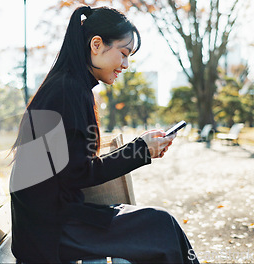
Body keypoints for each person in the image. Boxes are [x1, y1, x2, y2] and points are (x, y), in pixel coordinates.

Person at [10, 6, 198, 263]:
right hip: (52, 232)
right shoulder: (69, 91)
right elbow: (80, 173)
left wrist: (141, 147)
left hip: (52, 223)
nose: (126, 64)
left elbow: (76, 169)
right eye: (123, 53)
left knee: (160, 225)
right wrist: (141, 150)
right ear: (96, 44)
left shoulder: (70, 86)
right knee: (160, 226)